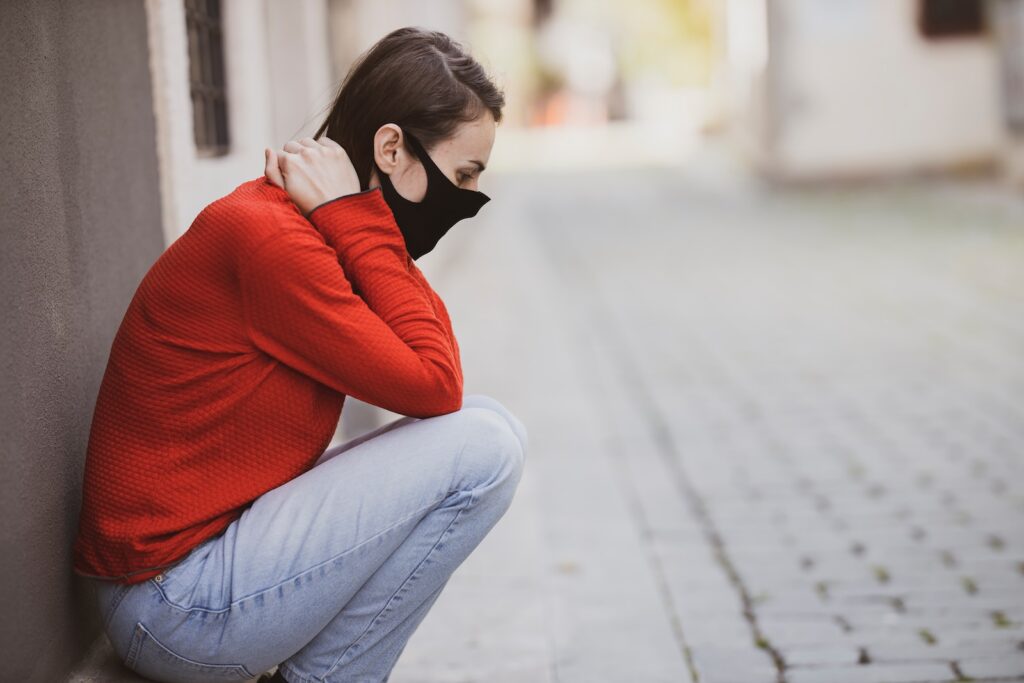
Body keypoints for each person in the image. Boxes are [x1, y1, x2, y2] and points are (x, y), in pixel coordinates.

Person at [73, 26, 526, 683]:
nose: (466, 201)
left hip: (208, 565)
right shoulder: (273, 239)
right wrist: (359, 219)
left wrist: (360, 220)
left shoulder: (324, 229)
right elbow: (435, 383)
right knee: (485, 448)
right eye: (460, 175)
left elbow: (435, 361)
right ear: (392, 147)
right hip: (170, 603)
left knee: (492, 427)